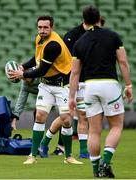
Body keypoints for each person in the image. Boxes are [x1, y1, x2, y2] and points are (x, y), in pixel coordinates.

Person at [69, 6, 133, 178]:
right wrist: (128, 86)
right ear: (99, 18)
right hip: (109, 85)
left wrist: (71, 97)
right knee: (116, 125)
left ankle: (96, 170)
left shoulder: (79, 42)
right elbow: (123, 62)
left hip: (89, 86)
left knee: (93, 131)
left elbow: (74, 72)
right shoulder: (112, 36)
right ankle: (106, 161)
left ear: (85, 21)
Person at [9, 15, 83, 165]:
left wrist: (22, 74)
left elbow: (42, 69)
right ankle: (33, 155)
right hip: (46, 86)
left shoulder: (53, 45)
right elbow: (37, 58)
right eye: (40, 27)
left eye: (45, 27)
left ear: (51, 27)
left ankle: (68, 156)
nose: (42, 30)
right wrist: (24, 65)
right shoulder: (39, 39)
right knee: (40, 116)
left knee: (67, 120)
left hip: (62, 85)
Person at [39, 15, 105, 159]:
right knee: (66, 117)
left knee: (82, 115)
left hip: (86, 81)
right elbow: (64, 60)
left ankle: (83, 151)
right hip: (71, 80)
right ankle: (44, 143)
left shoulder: (97, 37)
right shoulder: (72, 36)